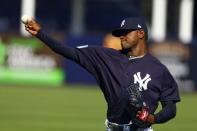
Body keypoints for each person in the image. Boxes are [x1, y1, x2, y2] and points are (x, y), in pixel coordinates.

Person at [23, 17, 180, 131]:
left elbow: (170, 108)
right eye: (120, 33)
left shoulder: (159, 70)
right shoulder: (106, 57)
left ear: (140, 33)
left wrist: (154, 118)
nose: (122, 36)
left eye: (126, 32)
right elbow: (68, 51)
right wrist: (40, 33)